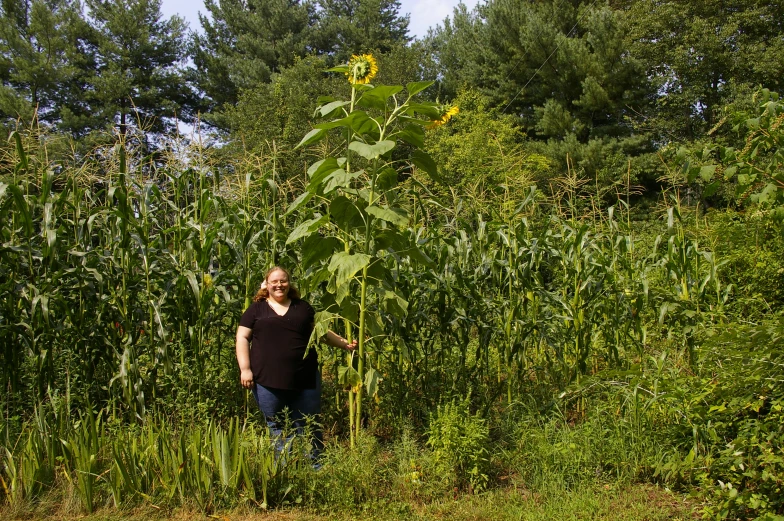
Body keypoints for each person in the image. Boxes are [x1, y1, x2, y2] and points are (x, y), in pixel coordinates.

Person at [235, 266, 356, 459]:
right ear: (266, 284)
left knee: (308, 425)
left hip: (305, 379)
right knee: (277, 427)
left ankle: (316, 470)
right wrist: (245, 369)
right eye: (274, 281)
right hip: (267, 382)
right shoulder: (256, 309)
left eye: (283, 281)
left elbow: (320, 332)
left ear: (289, 283)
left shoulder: (302, 307)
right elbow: (242, 337)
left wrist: (346, 345)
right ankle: (285, 472)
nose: (279, 285)